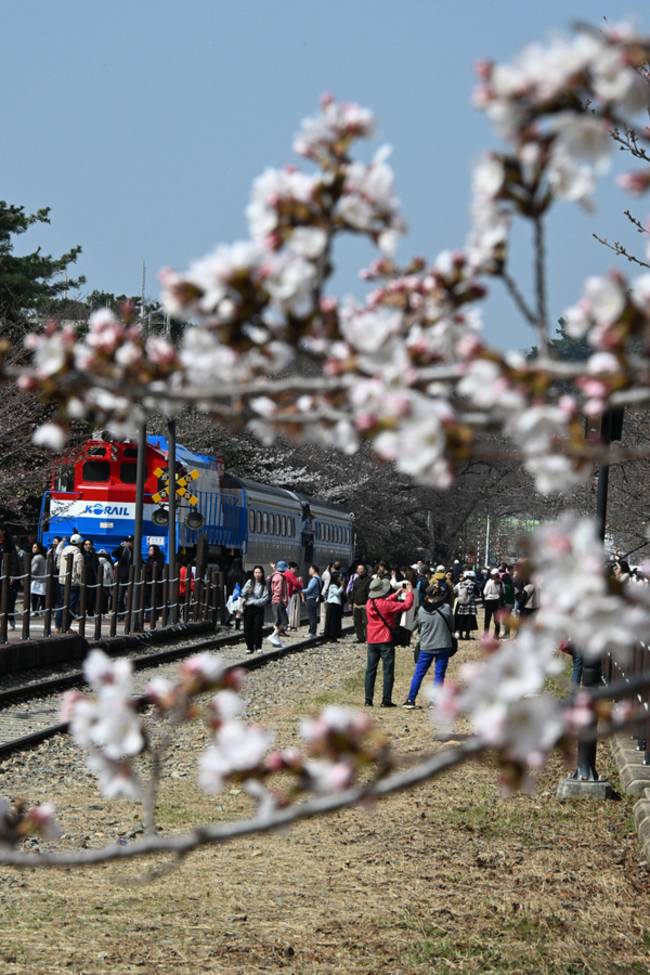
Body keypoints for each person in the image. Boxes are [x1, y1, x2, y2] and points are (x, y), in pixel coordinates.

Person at [365, 576, 414, 708]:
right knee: (387, 671)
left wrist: (395, 594)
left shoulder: (369, 603)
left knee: (370, 670)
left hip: (372, 639)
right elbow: (406, 605)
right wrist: (409, 593)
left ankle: (368, 699)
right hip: (385, 640)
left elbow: (383, 602)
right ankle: (386, 700)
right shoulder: (386, 605)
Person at [403, 583, 455, 707]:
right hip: (443, 645)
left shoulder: (421, 610)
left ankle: (411, 699)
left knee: (419, 673)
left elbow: (414, 626)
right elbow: (452, 627)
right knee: (439, 674)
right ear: (440, 596)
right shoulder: (446, 608)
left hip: (426, 646)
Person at [55, 533, 84, 632]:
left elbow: (58, 565)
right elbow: (79, 571)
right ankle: (66, 627)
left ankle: (57, 626)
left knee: (61, 604)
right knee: (71, 606)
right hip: (73, 583)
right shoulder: (78, 554)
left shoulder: (63, 551)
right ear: (80, 544)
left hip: (62, 581)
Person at [241, 565, 269, 653]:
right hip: (248, 608)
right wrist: (246, 592)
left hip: (258, 609)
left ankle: (258, 646)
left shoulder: (264, 584)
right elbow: (242, 593)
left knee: (257, 628)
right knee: (247, 628)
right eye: (256, 572)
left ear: (262, 574)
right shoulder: (249, 582)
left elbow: (265, 598)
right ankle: (249, 647)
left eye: (259, 572)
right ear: (253, 573)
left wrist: (253, 601)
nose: (257, 574)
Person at [267, 560, 289, 648]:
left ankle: (276, 640)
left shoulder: (274, 575)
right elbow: (278, 591)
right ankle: (273, 636)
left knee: (278, 621)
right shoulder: (280, 577)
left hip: (275, 601)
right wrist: (282, 601)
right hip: (278, 601)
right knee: (284, 621)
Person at [453, 571, 478, 640]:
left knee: (461, 619)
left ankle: (460, 635)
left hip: (462, 604)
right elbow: (477, 593)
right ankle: (467, 635)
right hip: (471, 604)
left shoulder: (460, 584)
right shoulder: (473, 584)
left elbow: (454, 591)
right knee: (469, 619)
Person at [350, 563, 370, 643]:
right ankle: (360, 637)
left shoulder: (369, 580)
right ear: (357, 571)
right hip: (356, 604)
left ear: (365, 570)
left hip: (365, 604)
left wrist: (368, 603)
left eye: (362, 569)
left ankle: (368, 638)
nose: (360, 571)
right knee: (357, 622)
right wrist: (351, 601)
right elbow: (353, 592)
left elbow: (370, 593)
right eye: (359, 569)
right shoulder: (356, 580)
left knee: (366, 622)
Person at [144, 544, 165, 621]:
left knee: (155, 599)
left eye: (151, 550)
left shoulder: (159, 559)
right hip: (148, 582)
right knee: (147, 599)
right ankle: (148, 615)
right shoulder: (149, 559)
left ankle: (153, 615)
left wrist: (150, 568)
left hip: (156, 582)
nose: (149, 552)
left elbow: (157, 570)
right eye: (149, 550)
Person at [301, 565, 322, 638]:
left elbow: (309, 589)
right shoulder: (319, 578)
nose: (309, 571)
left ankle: (312, 633)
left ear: (313, 570)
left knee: (312, 616)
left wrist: (300, 590)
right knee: (313, 616)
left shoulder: (314, 579)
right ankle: (313, 632)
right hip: (315, 599)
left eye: (310, 569)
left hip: (311, 599)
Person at [482, 569, 504, 637]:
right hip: (497, 602)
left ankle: (486, 634)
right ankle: (496, 635)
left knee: (487, 619)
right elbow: (503, 592)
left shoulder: (489, 582)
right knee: (496, 619)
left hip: (489, 601)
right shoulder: (501, 582)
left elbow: (485, 592)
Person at [323, 571, 343, 642]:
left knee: (332, 621)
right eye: (339, 577)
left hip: (333, 605)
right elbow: (337, 593)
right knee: (332, 621)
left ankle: (331, 635)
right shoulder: (333, 585)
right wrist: (342, 586)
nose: (341, 579)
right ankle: (331, 636)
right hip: (333, 605)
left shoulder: (334, 585)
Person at [285, 561, 304, 631]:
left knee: (290, 610)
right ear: (291, 568)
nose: (296, 570)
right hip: (290, 595)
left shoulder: (286, 573)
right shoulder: (290, 574)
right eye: (295, 568)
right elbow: (296, 584)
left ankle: (290, 625)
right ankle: (290, 625)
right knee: (292, 610)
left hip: (289, 594)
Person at [30, 542, 47, 614]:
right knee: (42, 595)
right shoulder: (43, 556)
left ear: (39, 549)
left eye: (35, 547)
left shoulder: (36, 557)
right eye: (33, 547)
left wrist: (29, 576)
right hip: (43, 579)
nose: (33, 549)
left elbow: (34, 569)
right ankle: (43, 610)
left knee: (34, 596)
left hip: (36, 579)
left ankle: (34, 610)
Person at [97, 550, 114, 614]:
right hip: (106, 583)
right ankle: (104, 611)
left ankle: (97, 610)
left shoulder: (96, 561)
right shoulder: (108, 563)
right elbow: (111, 575)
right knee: (105, 598)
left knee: (98, 597)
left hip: (97, 582)